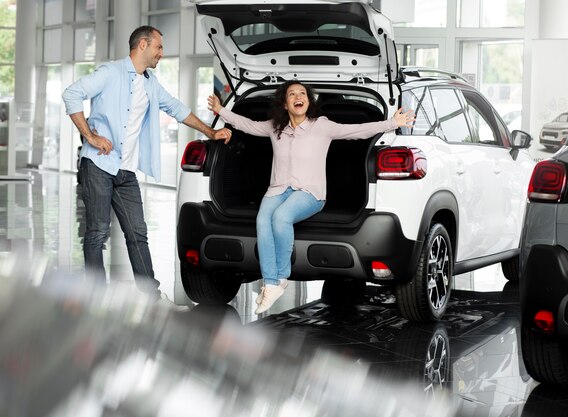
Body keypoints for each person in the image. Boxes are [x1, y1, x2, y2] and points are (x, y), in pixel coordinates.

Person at [207, 81, 415, 314]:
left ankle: (281, 277)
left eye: (302, 93)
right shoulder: (277, 127)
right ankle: (271, 283)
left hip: (310, 193)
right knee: (262, 220)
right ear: (285, 104)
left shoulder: (321, 126)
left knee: (281, 217)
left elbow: (356, 130)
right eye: (292, 94)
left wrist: (391, 123)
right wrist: (221, 110)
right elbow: (247, 125)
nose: (298, 97)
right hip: (277, 189)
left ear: (308, 101)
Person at [62, 25, 232, 305]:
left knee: (137, 233)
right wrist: (90, 136)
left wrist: (211, 133)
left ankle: (150, 296)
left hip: (125, 171)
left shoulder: (151, 82)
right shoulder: (110, 73)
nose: (161, 53)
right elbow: (71, 94)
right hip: (98, 165)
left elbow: (178, 109)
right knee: (97, 232)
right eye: (159, 47)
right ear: (143, 45)